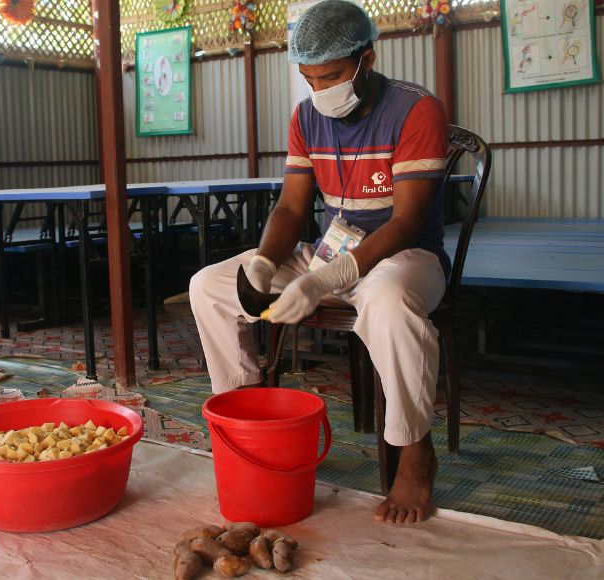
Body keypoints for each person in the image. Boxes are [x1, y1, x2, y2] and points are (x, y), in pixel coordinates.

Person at [189, 0, 450, 525]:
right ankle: (245, 415)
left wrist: (325, 280)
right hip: (327, 251)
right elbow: (291, 207)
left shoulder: (416, 110)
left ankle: (415, 449)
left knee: (391, 303)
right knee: (210, 285)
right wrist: (265, 262)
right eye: (308, 78)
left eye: (330, 76)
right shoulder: (307, 116)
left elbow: (405, 222)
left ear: (366, 60)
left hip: (404, 257)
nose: (318, 90)